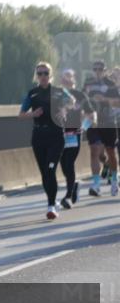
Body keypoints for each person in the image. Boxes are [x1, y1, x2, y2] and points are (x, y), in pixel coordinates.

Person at [19, 62, 75, 219]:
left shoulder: (59, 91)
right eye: (40, 73)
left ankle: (51, 206)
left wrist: (64, 109)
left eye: (45, 73)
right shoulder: (32, 94)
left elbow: (72, 101)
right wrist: (33, 114)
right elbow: (21, 114)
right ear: (36, 76)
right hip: (39, 136)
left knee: (50, 170)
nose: (43, 76)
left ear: (50, 75)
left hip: (56, 135)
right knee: (45, 173)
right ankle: (53, 200)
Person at [58, 68, 95, 209]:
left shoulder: (80, 95)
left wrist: (84, 127)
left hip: (74, 134)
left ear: (74, 78)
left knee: (69, 162)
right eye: (64, 76)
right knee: (63, 165)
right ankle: (74, 185)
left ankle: (67, 196)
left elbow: (92, 115)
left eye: (69, 76)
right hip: (60, 134)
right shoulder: (57, 94)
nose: (67, 79)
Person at [82, 60, 118, 197]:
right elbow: (81, 99)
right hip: (93, 122)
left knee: (110, 152)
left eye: (100, 69)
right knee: (94, 151)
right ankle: (96, 185)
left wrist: (104, 99)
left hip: (108, 121)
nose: (97, 72)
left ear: (105, 70)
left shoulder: (110, 83)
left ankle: (114, 179)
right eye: (95, 69)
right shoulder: (88, 83)